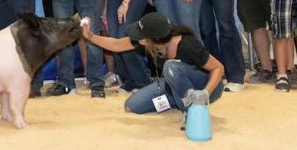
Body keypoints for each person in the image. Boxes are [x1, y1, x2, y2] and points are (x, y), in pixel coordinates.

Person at [81, 13, 224, 123]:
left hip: (207, 86)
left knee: (171, 67)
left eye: (142, 36)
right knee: (133, 105)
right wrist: (90, 36)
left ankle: (192, 111)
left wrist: (205, 93)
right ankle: (179, 99)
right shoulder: (150, 44)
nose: (139, 38)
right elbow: (117, 45)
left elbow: (218, 68)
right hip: (171, 84)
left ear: (154, 39)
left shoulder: (187, 44)